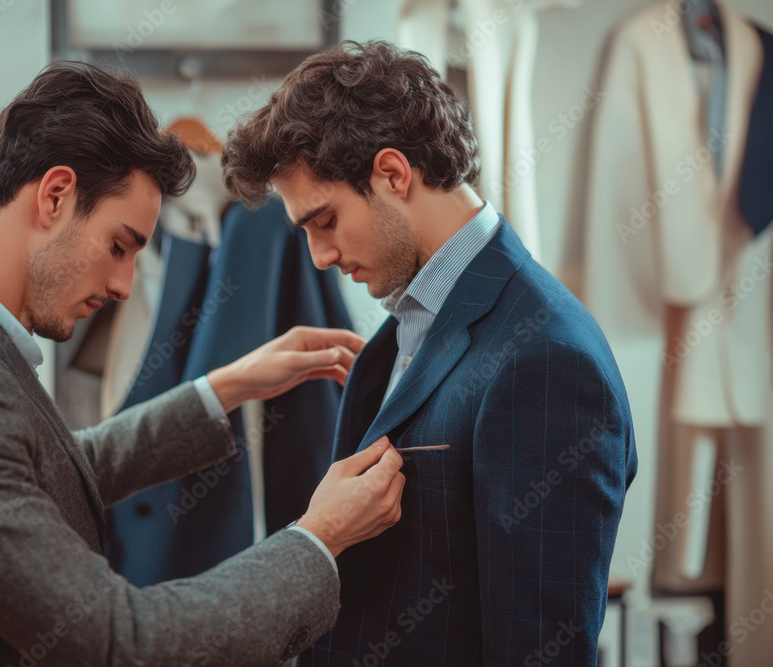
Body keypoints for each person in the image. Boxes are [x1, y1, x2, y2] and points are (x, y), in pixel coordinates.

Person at [0, 61, 406, 666]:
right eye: (119, 247)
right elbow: (121, 642)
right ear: (55, 195)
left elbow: (40, 470)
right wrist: (318, 538)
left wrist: (226, 386)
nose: (123, 285)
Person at [222, 40, 638, 665]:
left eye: (325, 220)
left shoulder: (548, 359)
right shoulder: (404, 330)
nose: (319, 256)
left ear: (392, 173)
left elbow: (540, 649)